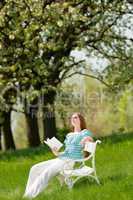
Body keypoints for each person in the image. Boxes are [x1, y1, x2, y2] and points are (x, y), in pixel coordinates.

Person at [23, 112, 93, 199]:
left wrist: (86, 139)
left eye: (75, 117)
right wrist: (55, 151)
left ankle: (29, 196)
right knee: (34, 168)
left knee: (46, 173)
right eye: (72, 118)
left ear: (81, 120)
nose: (73, 119)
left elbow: (90, 139)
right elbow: (65, 152)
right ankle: (26, 194)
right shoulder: (69, 135)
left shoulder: (84, 132)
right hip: (62, 159)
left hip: (70, 161)